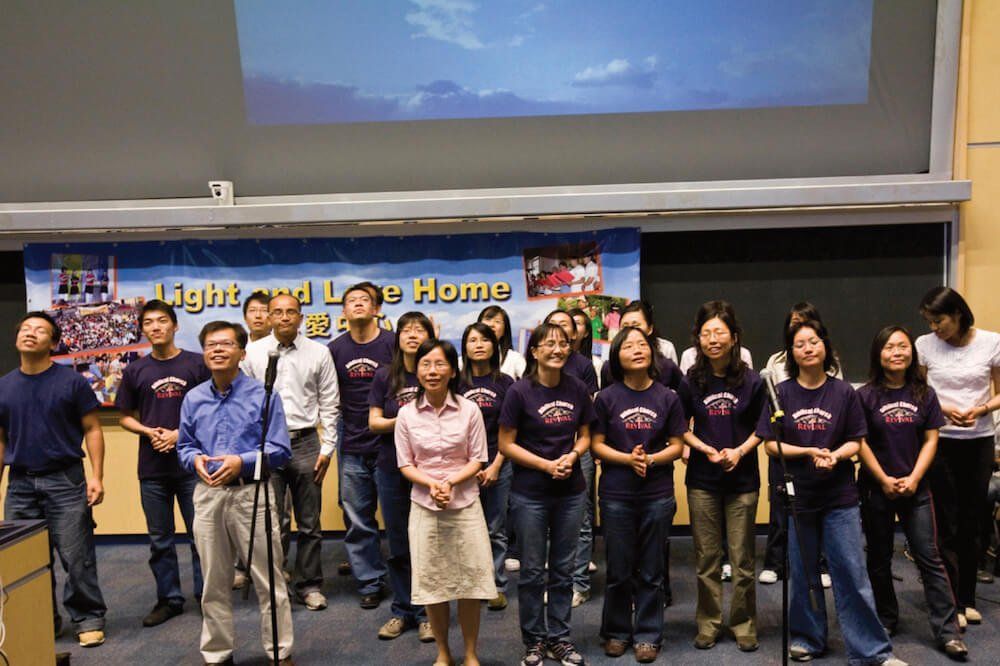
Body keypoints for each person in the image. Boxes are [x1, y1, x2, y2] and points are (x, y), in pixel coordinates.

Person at [757, 319, 906, 665]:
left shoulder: (844, 393)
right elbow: (769, 445)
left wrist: (835, 456)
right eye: (799, 344)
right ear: (791, 353)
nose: (807, 348)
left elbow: (855, 440)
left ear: (825, 346)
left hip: (840, 497)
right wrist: (809, 452)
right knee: (804, 573)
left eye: (813, 341)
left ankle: (871, 651)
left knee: (852, 573)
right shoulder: (783, 394)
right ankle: (808, 639)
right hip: (800, 499)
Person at [177, 321, 295, 665]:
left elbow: (280, 449)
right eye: (210, 345)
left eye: (225, 344)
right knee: (214, 580)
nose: (216, 350)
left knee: (267, 578)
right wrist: (194, 460)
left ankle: (280, 651)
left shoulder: (263, 394)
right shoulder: (193, 398)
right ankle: (217, 653)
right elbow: (184, 445)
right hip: (208, 495)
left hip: (251, 495)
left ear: (241, 353)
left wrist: (241, 462)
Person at [857, 326, 967, 658]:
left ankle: (947, 631)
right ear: (879, 354)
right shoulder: (865, 395)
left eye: (903, 346)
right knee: (878, 557)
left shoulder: (925, 393)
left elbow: (932, 439)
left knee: (928, 556)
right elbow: (859, 442)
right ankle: (887, 618)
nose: (897, 352)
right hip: (877, 488)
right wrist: (884, 479)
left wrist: (915, 477)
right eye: (889, 347)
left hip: (917, 487)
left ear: (912, 353)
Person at [0, 311, 108, 647]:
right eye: (25, 328)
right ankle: (41, 617)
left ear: (54, 343)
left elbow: (92, 428)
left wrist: (97, 477)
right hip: (19, 484)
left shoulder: (71, 382)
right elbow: (1, 440)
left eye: (40, 330)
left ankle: (88, 618)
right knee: (23, 556)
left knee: (76, 557)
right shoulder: (4, 386)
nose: (30, 334)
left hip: (65, 481)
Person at [500, 322, 596, 666]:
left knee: (563, 569)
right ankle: (534, 641)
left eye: (563, 343)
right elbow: (505, 443)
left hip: (570, 492)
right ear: (535, 351)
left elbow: (585, 435)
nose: (557, 349)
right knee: (531, 572)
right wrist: (544, 465)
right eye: (549, 344)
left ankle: (560, 638)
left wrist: (572, 455)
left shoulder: (577, 388)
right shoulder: (519, 391)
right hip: (530, 494)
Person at [397, 339, 496, 666]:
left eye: (440, 364)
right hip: (425, 508)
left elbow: (478, 458)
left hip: (465, 504)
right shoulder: (406, 414)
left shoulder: (469, 409)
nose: (432, 371)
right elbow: (405, 463)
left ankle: (470, 653)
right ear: (417, 369)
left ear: (453, 370)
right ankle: (443, 652)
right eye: (425, 364)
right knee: (433, 584)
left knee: (469, 583)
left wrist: (450, 482)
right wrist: (433, 485)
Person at [592, 327, 686, 663]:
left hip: (657, 492)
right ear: (617, 355)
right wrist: (628, 459)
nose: (637, 350)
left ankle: (648, 634)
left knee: (651, 569)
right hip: (617, 492)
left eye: (642, 345)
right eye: (628, 345)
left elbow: (677, 446)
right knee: (618, 568)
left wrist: (650, 459)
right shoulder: (606, 398)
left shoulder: (668, 397)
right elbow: (596, 444)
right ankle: (616, 632)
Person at [243, 294, 341, 611]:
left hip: (307, 442)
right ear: (269, 317)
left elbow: (330, 404)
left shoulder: (319, 353)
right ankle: (276, 582)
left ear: (301, 317)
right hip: (266, 442)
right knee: (273, 521)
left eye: (291, 312)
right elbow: (243, 404)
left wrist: (327, 449)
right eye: (278, 312)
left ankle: (309, 585)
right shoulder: (253, 353)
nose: (284, 317)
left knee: (309, 521)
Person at [678, 301, 765, 652]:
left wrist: (739, 452)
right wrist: (706, 450)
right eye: (706, 333)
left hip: (742, 479)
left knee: (742, 560)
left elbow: (763, 428)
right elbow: (680, 428)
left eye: (719, 332)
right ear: (698, 339)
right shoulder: (691, 381)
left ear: (734, 338)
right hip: (702, 479)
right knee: (707, 558)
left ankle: (744, 625)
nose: (713, 339)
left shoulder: (753, 381)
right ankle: (709, 623)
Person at [116, 299, 209, 627]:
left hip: (191, 465)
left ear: (174, 325)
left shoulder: (197, 365)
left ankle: (206, 596)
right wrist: (147, 430)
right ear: (143, 330)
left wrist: (179, 434)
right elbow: (125, 416)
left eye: (161, 321)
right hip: (152, 468)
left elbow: (211, 410)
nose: (155, 327)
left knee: (201, 535)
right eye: (149, 323)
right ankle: (168, 599)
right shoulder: (135, 370)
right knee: (160, 539)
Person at [916, 286, 1000, 628]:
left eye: (940, 321)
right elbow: (919, 390)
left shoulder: (991, 342)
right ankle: (948, 599)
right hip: (941, 440)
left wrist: (981, 409)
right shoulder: (923, 345)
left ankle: (967, 598)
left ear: (958, 315)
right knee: (945, 521)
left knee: (973, 518)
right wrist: (945, 409)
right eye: (930, 322)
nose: (935, 328)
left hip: (978, 439)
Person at [759, 301, 842, 587]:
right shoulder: (776, 362)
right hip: (786, 445)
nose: (800, 330)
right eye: (794, 324)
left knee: (820, 512)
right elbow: (771, 399)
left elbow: (837, 403)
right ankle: (775, 562)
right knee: (781, 508)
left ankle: (821, 565)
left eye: (805, 322)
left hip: (821, 443)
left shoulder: (832, 364)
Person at [328, 281, 396, 608]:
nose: (357, 304)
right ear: (343, 311)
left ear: (377, 309)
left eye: (364, 300)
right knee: (357, 518)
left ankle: (405, 581)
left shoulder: (393, 344)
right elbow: (329, 397)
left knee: (398, 516)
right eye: (350, 301)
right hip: (352, 441)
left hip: (391, 441)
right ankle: (370, 581)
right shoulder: (335, 349)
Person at [368, 312, 435, 642]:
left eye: (419, 329)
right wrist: (408, 420)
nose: (411, 334)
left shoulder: (436, 373)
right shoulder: (385, 376)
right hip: (391, 467)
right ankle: (402, 610)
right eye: (405, 329)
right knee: (397, 543)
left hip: (431, 471)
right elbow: (375, 422)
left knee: (427, 542)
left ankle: (427, 614)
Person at [543, 310, 598, 607]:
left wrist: (575, 452)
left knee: (581, 518)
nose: (558, 332)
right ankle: (557, 581)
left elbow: (587, 419)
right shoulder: (536, 366)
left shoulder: (584, 367)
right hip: (544, 458)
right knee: (548, 518)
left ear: (573, 335)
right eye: (552, 326)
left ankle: (579, 582)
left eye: (565, 327)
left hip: (579, 451)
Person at [459, 322, 515, 611]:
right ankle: (469, 585)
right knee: (464, 528)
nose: (478, 345)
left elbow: (511, 430)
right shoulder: (455, 382)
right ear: (464, 347)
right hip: (462, 468)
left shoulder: (505, 383)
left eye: (485, 339)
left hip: (498, 464)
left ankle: (495, 584)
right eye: (472, 340)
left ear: (495, 346)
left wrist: (495, 465)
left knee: (495, 527)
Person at [478, 305, 527, 379]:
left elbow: (530, 384)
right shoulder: (463, 360)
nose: (491, 325)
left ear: (504, 330)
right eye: (488, 319)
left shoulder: (514, 358)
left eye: (497, 321)